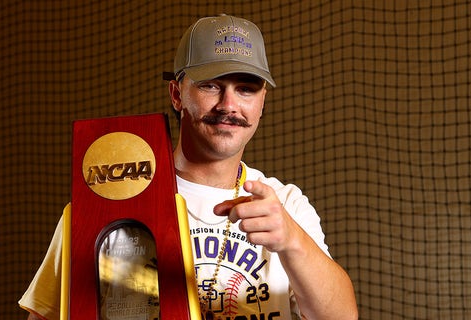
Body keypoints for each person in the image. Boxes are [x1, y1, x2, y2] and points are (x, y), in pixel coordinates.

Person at [20, 14, 358, 320]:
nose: (229, 105)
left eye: (246, 89)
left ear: (262, 101)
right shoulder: (109, 198)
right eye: (211, 85)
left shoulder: (286, 204)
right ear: (177, 94)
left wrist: (292, 241)